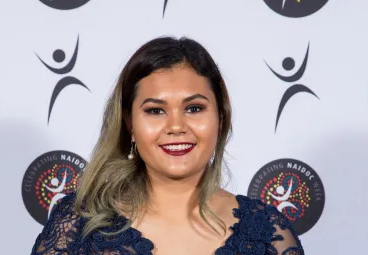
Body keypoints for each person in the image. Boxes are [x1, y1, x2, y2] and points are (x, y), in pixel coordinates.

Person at [30, 36, 305, 255]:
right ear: (130, 125)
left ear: (220, 118)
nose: (176, 126)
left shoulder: (269, 233)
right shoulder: (79, 226)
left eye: (194, 108)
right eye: (155, 111)